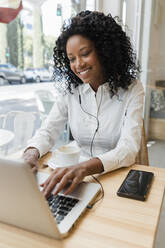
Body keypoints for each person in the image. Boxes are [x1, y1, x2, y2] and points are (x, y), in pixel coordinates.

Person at [23, 10, 144, 198]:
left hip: (116, 179)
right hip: (77, 180)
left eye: (85, 54)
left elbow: (128, 149)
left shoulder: (132, 89)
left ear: (104, 50)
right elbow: (48, 130)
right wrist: (31, 152)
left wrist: (83, 168)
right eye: (71, 59)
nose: (78, 64)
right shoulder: (71, 92)